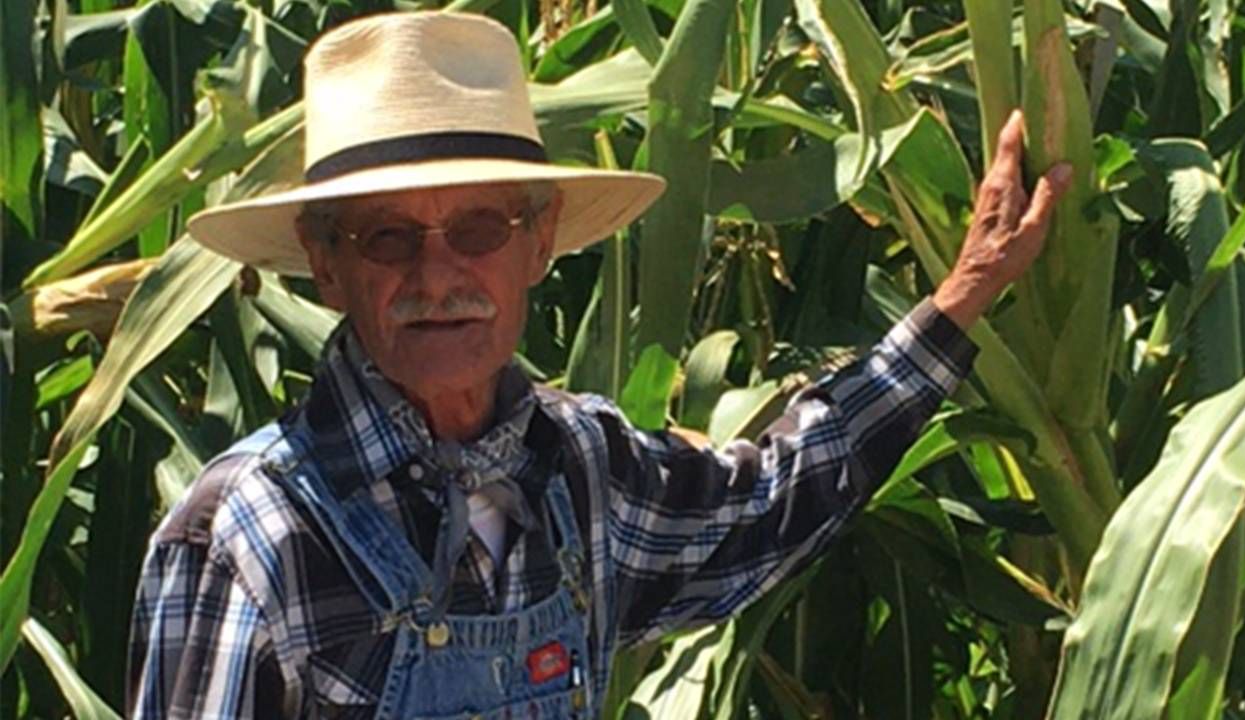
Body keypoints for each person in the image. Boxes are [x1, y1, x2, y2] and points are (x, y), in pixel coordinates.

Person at [126, 10, 1071, 720]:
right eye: (387, 238)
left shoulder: (580, 469)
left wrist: (961, 301)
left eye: (479, 228)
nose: (439, 275)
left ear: (537, 245)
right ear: (326, 265)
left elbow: (775, 500)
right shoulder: (246, 534)